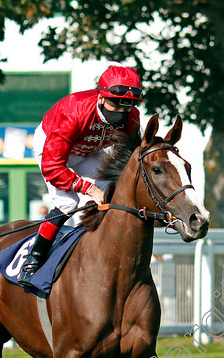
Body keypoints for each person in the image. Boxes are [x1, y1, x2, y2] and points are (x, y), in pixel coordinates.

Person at [20, 63, 143, 282]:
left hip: (87, 151)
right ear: (102, 97)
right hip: (53, 150)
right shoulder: (73, 112)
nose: (122, 111)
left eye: (129, 105)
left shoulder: (132, 118)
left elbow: (130, 161)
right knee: (69, 203)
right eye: (116, 103)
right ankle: (34, 258)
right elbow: (52, 167)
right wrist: (88, 187)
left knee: (109, 192)